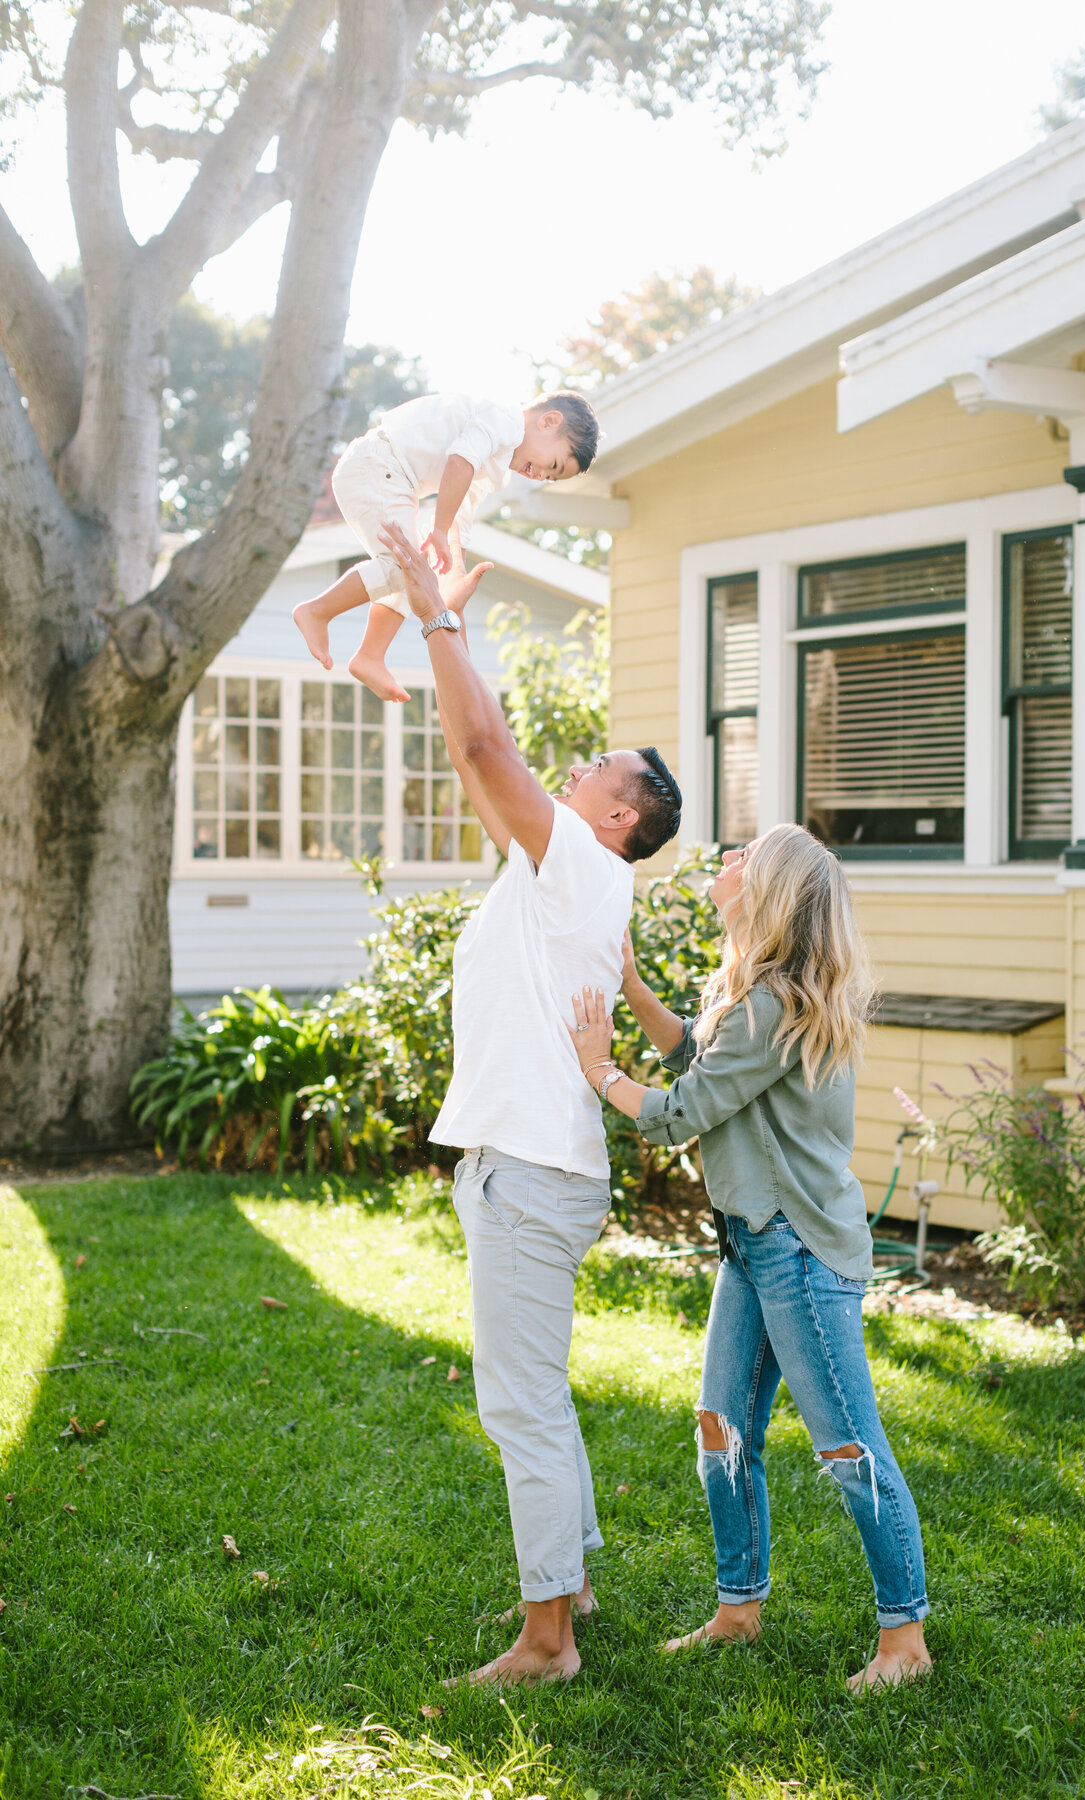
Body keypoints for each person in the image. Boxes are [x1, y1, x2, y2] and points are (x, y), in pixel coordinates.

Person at [379, 522, 682, 1689]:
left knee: (519, 1411)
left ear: (621, 817)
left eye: (601, 768)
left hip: (532, 1172)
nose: (580, 765)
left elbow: (481, 737)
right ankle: (578, 1582)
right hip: (531, 1168)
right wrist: (436, 617)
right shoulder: (560, 869)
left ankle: (548, 1640)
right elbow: (478, 755)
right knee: (536, 1397)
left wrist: (437, 616)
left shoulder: (584, 868)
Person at [568, 825, 934, 1692]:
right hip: (753, 1246)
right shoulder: (753, 991)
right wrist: (630, 984)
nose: (725, 863)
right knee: (722, 1433)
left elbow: (677, 1109)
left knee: (848, 1447)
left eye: (742, 858)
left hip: (800, 1255)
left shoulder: (774, 1002)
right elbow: (696, 1056)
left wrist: (598, 1071)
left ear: (767, 890)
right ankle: (739, 1610)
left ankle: (905, 1643)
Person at [293, 390, 600, 703]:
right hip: (377, 465)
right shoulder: (504, 419)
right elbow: (460, 462)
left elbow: (462, 513)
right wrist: (438, 530)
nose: (541, 475)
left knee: (415, 572)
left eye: (550, 478)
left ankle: (370, 656)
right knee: (406, 567)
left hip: (389, 477)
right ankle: (317, 611)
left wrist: (454, 562)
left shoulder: (497, 466)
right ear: (548, 421)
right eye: (554, 465)